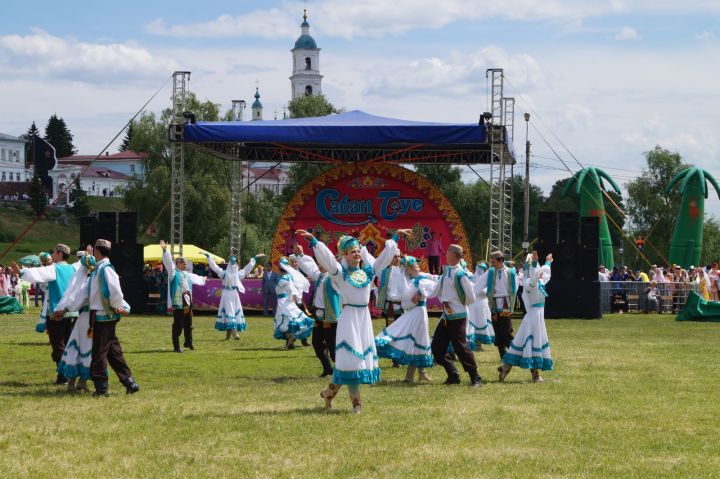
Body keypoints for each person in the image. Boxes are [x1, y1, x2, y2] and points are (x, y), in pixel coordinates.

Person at [296, 228, 411, 413]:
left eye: (358, 250)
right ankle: (356, 405)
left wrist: (396, 237)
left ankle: (328, 394)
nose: (357, 254)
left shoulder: (368, 271)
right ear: (345, 255)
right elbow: (329, 260)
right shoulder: (340, 274)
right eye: (352, 252)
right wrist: (315, 243)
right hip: (349, 319)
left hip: (363, 319)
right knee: (351, 362)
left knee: (352, 364)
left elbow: (383, 258)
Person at [57, 239, 138, 396]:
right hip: (99, 317)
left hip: (104, 317)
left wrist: (117, 306)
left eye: (94, 250)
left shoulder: (105, 269)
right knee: (113, 352)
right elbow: (86, 295)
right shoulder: (98, 269)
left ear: (98, 252)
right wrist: (67, 309)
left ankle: (102, 389)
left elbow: (116, 291)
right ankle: (129, 382)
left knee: (99, 354)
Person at [12, 244, 79, 385]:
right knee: (66, 344)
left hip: (57, 311)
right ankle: (68, 374)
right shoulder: (73, 268)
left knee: (58, 345)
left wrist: (22, 273)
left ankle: (63, 376)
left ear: (60, 254)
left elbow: (38, 273)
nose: (52, 254)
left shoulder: (55, 268)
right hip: (72, 311)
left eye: (54, 252)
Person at [428, 244, 483, 388]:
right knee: (437, 347)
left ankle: (475, 378)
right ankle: (453, 374)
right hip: (447, 315)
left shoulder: (461, 274)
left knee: (460, 347)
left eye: (447, 252)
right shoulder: (447, 272)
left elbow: (470, 296)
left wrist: (459, 305)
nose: (445, 254)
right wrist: (421, 293)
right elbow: (436, 290)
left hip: (458, 315)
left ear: (454, 255)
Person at [375, 255, 436, 383]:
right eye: (413, 267)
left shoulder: (420, 279)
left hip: (419, 313)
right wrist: (418, 295)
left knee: (418, 341)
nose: (417, 268)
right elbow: (406, 301)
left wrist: (420, 293)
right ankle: (414, 375)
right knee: (415, 341)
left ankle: (416, 374)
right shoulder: (410, 282)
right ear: (408, 270)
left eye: (416, 266)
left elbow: (435, 285)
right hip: (415, 313)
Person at [499, 251, 554, 383]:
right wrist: (534, 263)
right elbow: (536, 277)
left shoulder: (540, 282)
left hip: (537, 318)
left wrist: (547, 262)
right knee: (531, 344)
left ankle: (505, 368)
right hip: (532, 318)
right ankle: (535, 375)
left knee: (522, 343)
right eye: (536, 268)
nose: (541, 271)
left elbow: (545, 275)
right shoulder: (529, 283)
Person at [54, 250, 96, 392]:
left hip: (83, 319)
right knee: (88, 348)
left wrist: (64, 310)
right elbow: (77, 302)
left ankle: (75, 382)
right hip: (90, 319)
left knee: (75, 346)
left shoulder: (83, 281)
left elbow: (74, 302)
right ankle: (79, 381)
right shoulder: (91, 281)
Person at [296, 244, 340, 377]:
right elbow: (310, 268)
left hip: (330, 316)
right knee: (316, 344)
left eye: (321, 263)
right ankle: (327, 369)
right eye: (318, 263)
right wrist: (300, 255)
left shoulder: (334, 278)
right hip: (319, 315)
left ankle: (340, 371)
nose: (319, 265)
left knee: (333, 346)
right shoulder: (320, 276)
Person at [160, 240, 207, 352]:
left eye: (186, 263)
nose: (186, 265)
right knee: (178, 325)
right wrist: (165, 250)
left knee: (188, 323)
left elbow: (196, 278)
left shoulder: (187, 274)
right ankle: (176, 346)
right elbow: (168, 263)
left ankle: (188, 342)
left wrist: (203, 279)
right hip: (178, 303)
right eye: (184, 263)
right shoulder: (173, 273)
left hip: (187, 302)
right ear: (178, 264)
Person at [206, 252, 263, 340]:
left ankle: (228, 336)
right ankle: (234, 333)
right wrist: (209, 258)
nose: (233, 265)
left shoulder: (236, 274)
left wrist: (254, 258)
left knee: (232, 312)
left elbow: (247, 269)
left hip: (233, 294)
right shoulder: (225, 273)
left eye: (234, 263)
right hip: (227, 294)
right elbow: (215, 267)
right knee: (230, 312)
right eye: (232, 263)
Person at [273, 257, 314, 349]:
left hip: (285, 302)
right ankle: (290, 341)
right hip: (282, 301)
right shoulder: (282, 276)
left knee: (287, 320)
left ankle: (291, 339)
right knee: (287, 321)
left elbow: (292, 289)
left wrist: (294, 298)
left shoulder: (286, 278)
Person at [486, 250, 518, 359]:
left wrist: (511, 307)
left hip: (505, 305)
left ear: (501, 261)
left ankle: (516, 352)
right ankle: (503, 355)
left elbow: (514, 289)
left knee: (506, 331)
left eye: (494, 262)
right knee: (497, 331)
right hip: (494, 304)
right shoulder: (491, 272)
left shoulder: (510, 272)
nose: (492, 264)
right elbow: (484, 287)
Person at [376, 249, 404, 367]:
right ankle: (394, 359)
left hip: (403, 307)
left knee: (402, 333)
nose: (397, 259)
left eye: (398, 257)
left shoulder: (404, 272)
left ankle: (401, 356)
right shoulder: (385, 272)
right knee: (391, 333)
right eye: (394, 257)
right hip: (391, 308)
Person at [466, 261, 495, 350]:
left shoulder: (487, 279)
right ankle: (473, 343)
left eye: (482, 269)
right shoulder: (470, 277)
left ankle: (478, 344)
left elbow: (487, 290)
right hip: (475, 304)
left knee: (481, 322)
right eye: (479, 268)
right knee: (474, 323)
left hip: (482, 304)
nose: (480, 270)